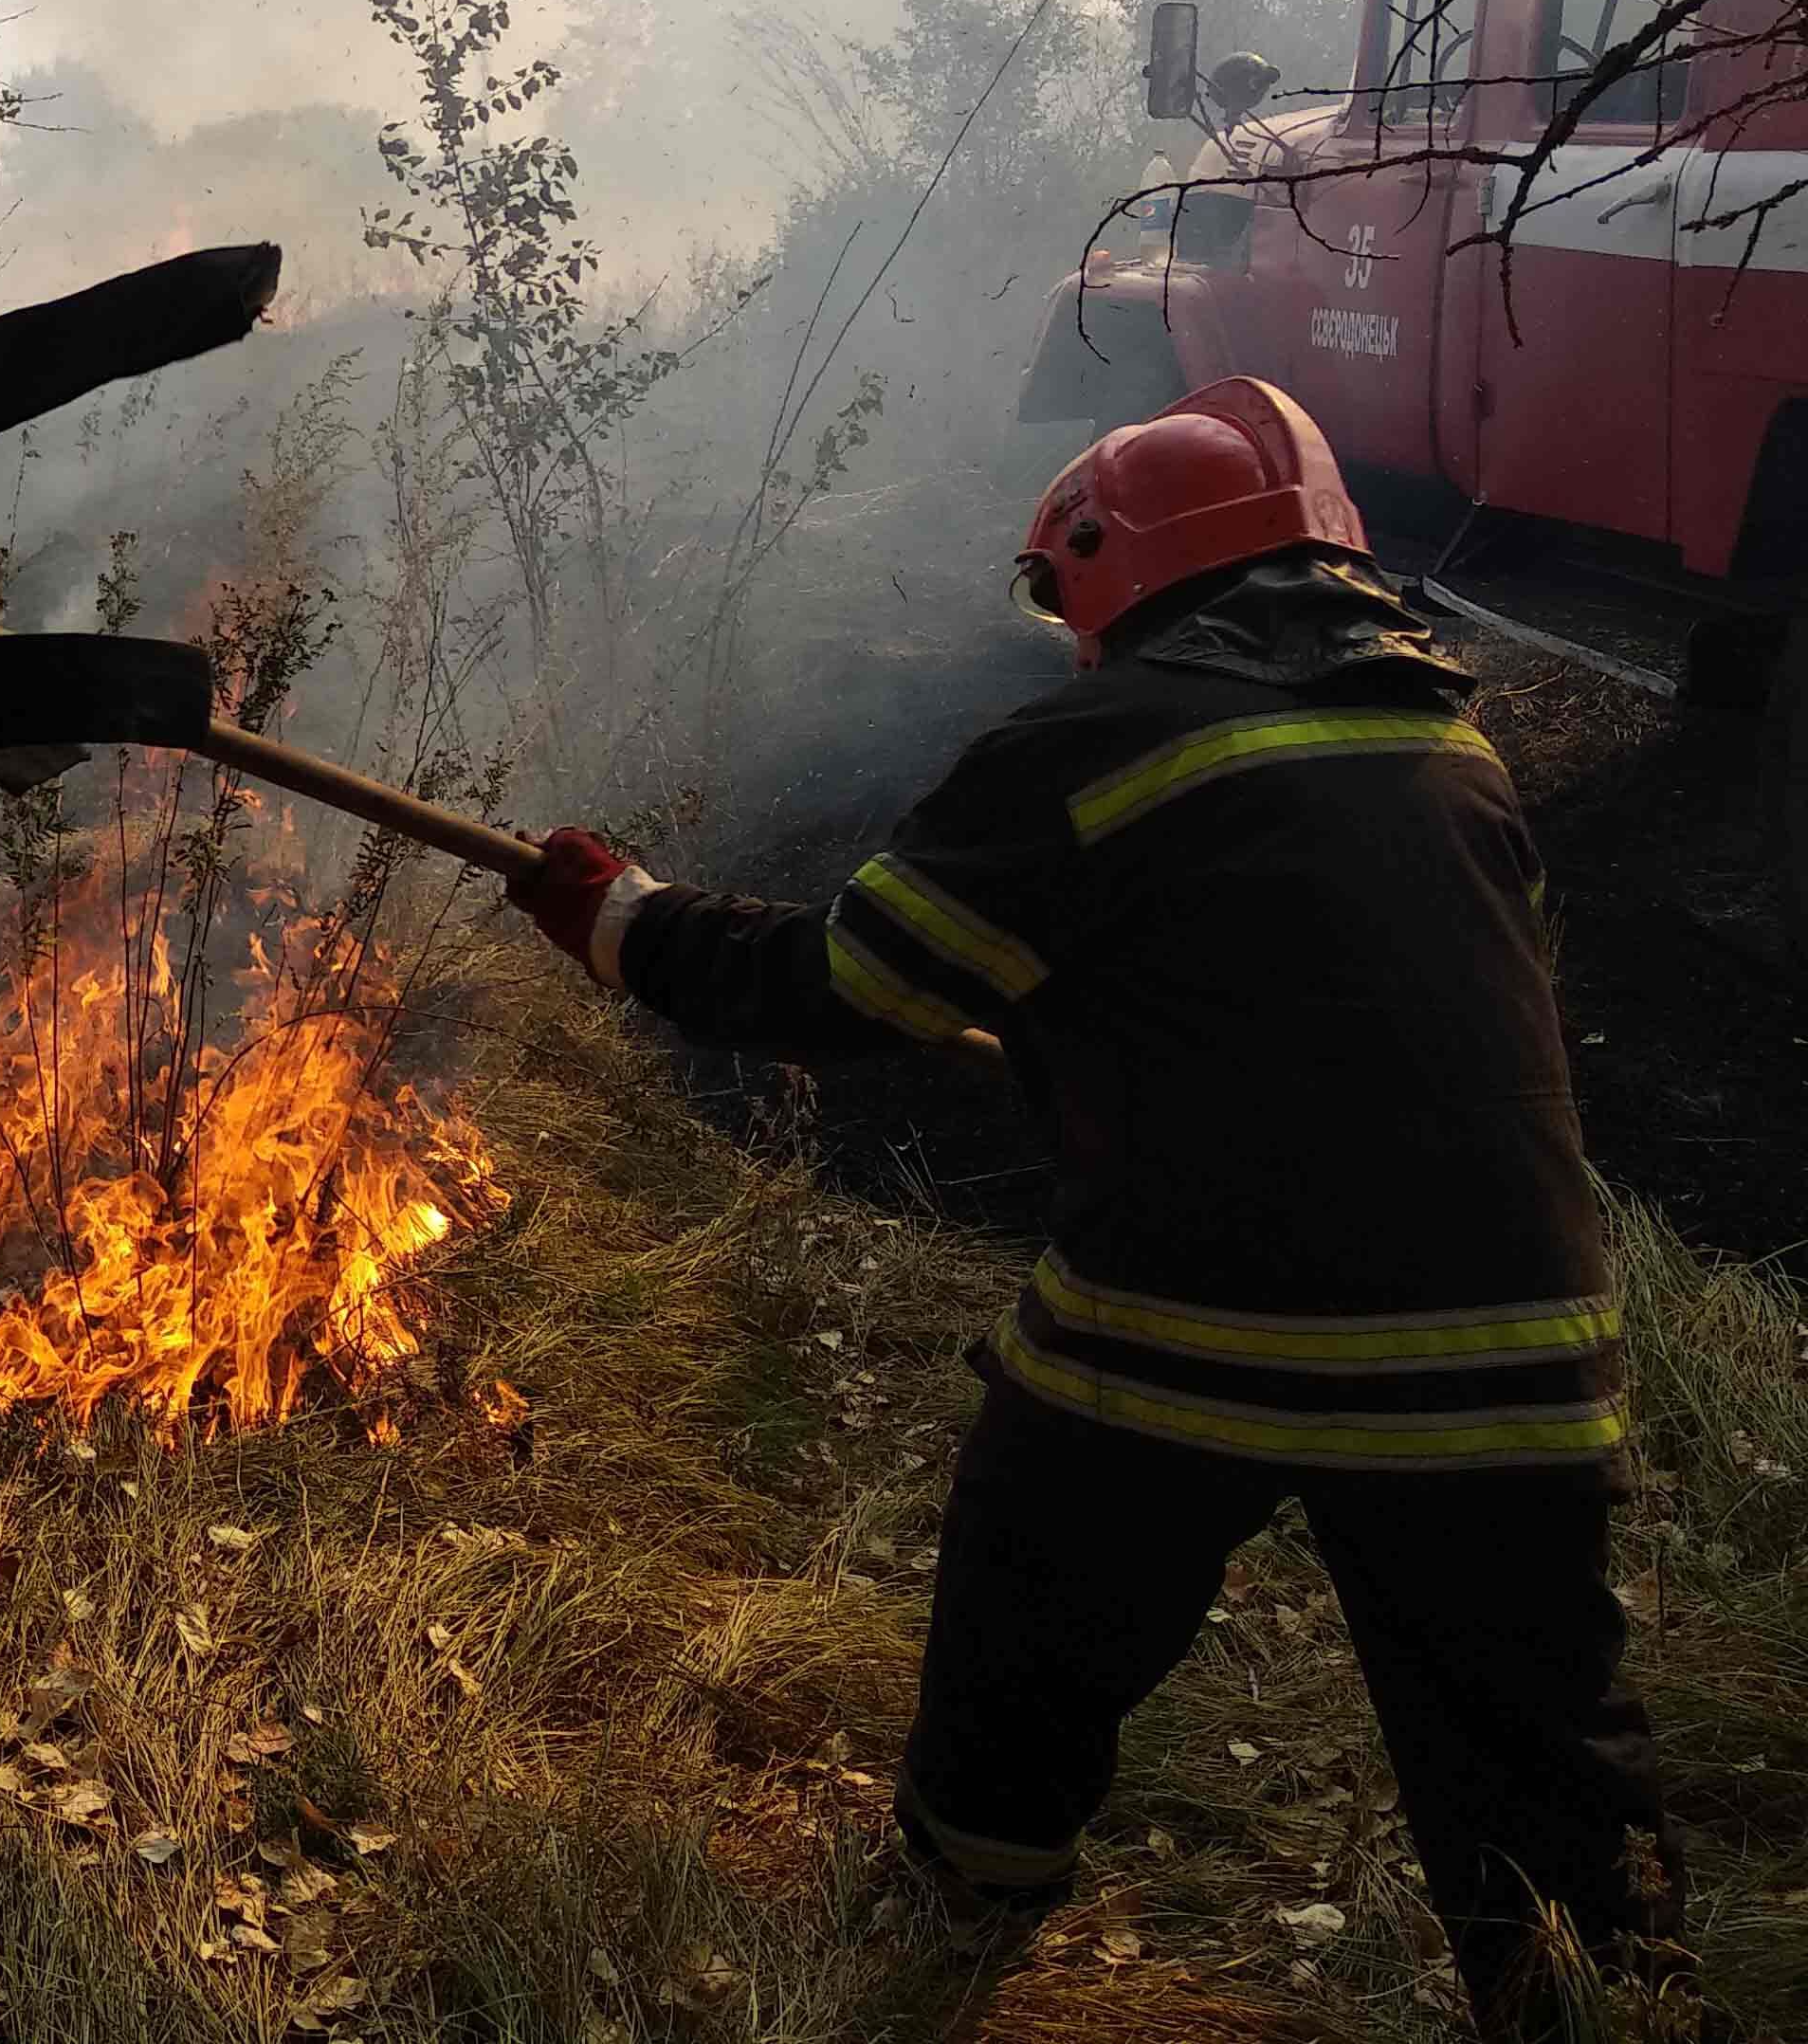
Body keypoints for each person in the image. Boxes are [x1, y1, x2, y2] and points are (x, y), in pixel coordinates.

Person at [510, 377, 1693, 2041]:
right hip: (1524, 1340)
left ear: (1102, 570)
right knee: (1536, 1734)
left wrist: (623, 921)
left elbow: (850, 984)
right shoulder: (1449, 746)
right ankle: (1609, 1999)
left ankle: (965, 1892)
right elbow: (1387, 1004)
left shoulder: (1092, 744)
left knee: (1037, 1579)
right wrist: (1117, 1034)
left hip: (1206, 1306)